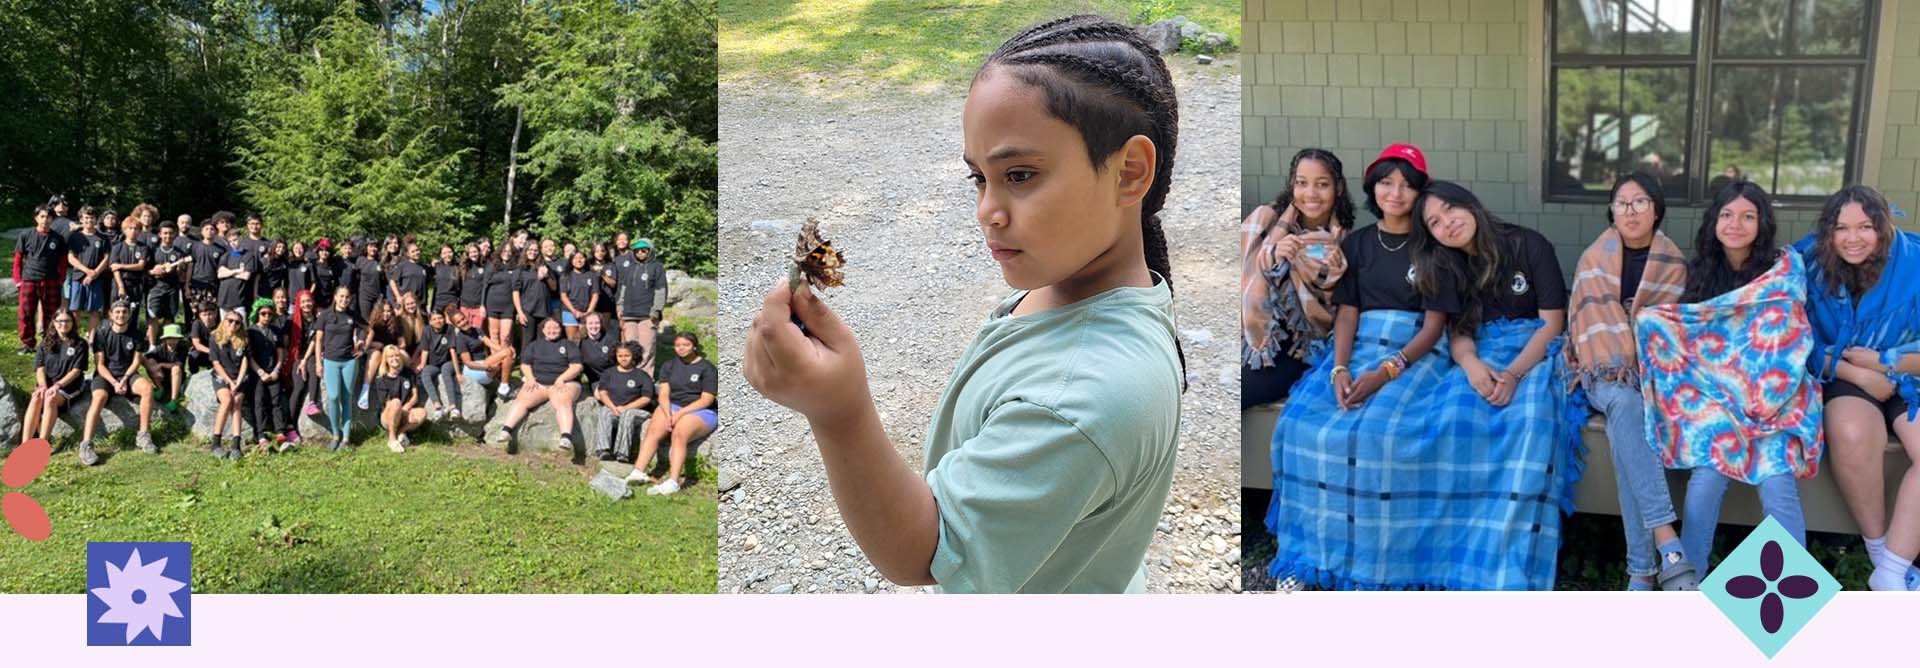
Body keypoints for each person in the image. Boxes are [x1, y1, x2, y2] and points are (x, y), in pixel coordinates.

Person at [743, 15, 1184, 592]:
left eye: (1019, 174)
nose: (987, 210)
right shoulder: (1086, 283)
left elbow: (927, 554)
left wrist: (838, 412)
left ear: (1130, 173)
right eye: (979, 178)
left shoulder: (1082, 396)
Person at [1655, 180, 1813, 578]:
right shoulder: (1700, 275)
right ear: (1714, 221)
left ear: (1762, 222)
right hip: (1718, 404)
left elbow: (1788, 339)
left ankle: (1784, 601)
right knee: (1705, 482)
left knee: (1778, 486)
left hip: (1774, 401)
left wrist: (1758, 397)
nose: (1735, 224)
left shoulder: (1782, 271)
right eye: (1726, 215)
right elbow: (1687, 339)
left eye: (1747, 216)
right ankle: (1688, 584)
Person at [1566, 172, 1696, 590]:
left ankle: (1641, 569)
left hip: (1655, 377)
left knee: (1629, 422)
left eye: (1640, 202)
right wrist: (1625, 331)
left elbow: (1672, 331)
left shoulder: (1672, 264)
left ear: (1656, 210)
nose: (1630, 211)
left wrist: (1639, 340)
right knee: (1624, 402)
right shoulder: (1593, 259)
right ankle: (1668, 541)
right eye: (1622, 204)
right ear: (1612, 212)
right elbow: (1586, 323)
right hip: (1601, 368)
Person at [1798, 185, 1920, 591]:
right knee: (1850, 432)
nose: (1853, 238)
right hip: (1844, 375)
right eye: (1842, 228)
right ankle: (1880, 554)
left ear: (1883, 226)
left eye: (1865, 226)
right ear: (1828, 232)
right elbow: (1795, 340)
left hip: (1910, 375)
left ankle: (1890, 573)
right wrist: (1859, 374)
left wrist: (1885, 362)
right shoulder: (1807, 264)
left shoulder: (1913, 261)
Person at [1240, 148, 1352, 408]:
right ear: (1292, 185)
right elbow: (1243, 281)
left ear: (1338, 189)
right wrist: (1274, 257)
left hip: (1300, 349)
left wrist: (1334, 272)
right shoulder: (1267, 223)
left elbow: (1340, 311)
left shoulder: (1344, 243)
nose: (1310, 193)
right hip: (1255, 337)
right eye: (1302, 183)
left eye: (1322, 184)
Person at [631, 331, 717, 496]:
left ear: (694, 346)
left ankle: (673, 481)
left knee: (679, 432)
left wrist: (680, 414)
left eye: (685, 345)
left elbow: (706, 399)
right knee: (654, 429)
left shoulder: (707, 368)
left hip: (702, 410)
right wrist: (668, 412)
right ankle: (638, 471)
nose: (681, 348)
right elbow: (663, 394)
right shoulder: (669, 365)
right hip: (673, 405)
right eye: (678, 345)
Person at [491, 317, 584, 453]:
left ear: (561, 329)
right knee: (522, 399)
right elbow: (525, 364)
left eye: (556, 328)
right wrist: (529, 378)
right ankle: (506, 430)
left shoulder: (568, 345)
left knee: (563, 401)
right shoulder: (535, 345)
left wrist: (562, 378)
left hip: (564, 383)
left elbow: (577, 366)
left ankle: (566, 437)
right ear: (543, 330)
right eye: (549, 328)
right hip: (539, 383)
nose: (552, 331)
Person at [79, 300, 158, 457]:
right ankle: (86, 444)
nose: (121, 315)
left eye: (124, 312)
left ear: (129, 314)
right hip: (106, 375)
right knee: (99, 396)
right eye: (117, 312)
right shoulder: (101, 333)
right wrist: (114, 382)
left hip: (127, 374)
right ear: (110, 314)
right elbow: (99, 365)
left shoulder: (137, 334)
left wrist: (125, 378)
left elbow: (136, 361)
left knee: (147, 388)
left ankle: (143, 435)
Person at [24, 312, 89, 462]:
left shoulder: (80, 344)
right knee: (36, 397)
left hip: (69, 387)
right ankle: (25, 445)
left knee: (50, 397)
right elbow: (39, 367)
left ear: (73, 323)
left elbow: (76, 370)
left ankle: (42, 443)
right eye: (60, 321)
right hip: (47, 385)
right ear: (54, 322)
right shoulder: (45, 342)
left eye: (67, 321)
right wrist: (43, 386)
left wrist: (58, 385)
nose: (63, 324)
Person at [310, 286, 367, 451]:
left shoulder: (352, 315)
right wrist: (318, 364)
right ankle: (336, 434)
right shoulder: (325, 316)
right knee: (334, 397)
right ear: (335, 297)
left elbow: (368, 330)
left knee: (346, 398)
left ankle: (346, 438)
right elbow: (318, 341)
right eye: (341, 296)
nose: (344, 300)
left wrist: (362, 346)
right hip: (330, 361)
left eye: (347, 297)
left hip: (349, 361)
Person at [591, 341, 655, 463]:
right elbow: (603, 393)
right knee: (605, 411)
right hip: (614, 409)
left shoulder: (642, 375)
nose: (623, 358)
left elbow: (646, 398)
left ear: (634, 356)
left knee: (628, 414)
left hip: (638, 412)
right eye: (620, 356)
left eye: (627, 355)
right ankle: (603, 450)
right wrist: (612, 407)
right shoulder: (609, 373)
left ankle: (622, 453)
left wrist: (626, 407)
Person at [18, 206, 68, 354]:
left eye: (48, 217)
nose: (45, 220)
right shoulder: (26, 235)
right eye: (42, 216)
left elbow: (63, 262)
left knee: (52, 313)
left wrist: (61, 279)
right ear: (36, 218)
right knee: (25, 313)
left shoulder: (58, 238)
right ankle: (28, 343)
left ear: (52, 219)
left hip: (51, 280)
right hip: (29, 279)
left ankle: (49, 342)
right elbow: (18, 259)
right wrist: (18, 280)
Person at [614, 238, 668, 369]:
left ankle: (645, 379)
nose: (640, 253)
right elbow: (623, 288)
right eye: (637, 250)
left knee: (646, 348)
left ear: (650, 251)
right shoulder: (629, 268)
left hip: (647, 315)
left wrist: (656, 310)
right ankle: (631, 376)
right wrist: (620, 307)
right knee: (631, 349)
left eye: (643, 250)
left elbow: (661, 290)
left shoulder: (657, 267)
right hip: (628, 315)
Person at [247, 298, 292, 449]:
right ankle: (260, 434)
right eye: (263, 313)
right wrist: (260, 372)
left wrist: (276, 370)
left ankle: (280, 432)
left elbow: (281, 352)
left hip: (273, 371)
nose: (266, 316)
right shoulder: (251, 331)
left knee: (277, 401)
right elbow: (249, 355)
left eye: (269, 313)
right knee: (258, 402)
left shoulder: (276, 331)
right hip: (257, 372)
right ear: (257, 313)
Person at [208, 308, 250, 459]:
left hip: (239, 378)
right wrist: (229, 382)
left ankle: (236, 446)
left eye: (237, 322)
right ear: (224, 321)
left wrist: (237, 382)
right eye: (230, 320)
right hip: (222, 376)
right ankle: (216, 444)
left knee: (236, 402)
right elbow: (215, 363)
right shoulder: (214, 337)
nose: (233, 324)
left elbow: (245, 361)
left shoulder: (243, 339)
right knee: (226, 401)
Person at [371, 344, 426, 452]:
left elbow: (415, 396)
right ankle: (392, 439)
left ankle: (401, 432)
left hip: (405, 411)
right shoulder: (381, 378)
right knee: (396, 402)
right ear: (386, 360)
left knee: (423, 412)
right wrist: (402, 411)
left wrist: (407, 408)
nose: (394, 359)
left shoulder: (409, 373)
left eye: (396, 355)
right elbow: (387, 404)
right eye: (390, 357)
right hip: (388, 415)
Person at [65, 206, 110, 335]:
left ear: (96, 219)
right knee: (75, 310)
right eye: (86, 217)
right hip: (78, 278)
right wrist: (87, 271)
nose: (89, 220)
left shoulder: (103, 238)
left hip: (97, 279)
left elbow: (106, 258)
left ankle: (92, 339)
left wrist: (94, 273)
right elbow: (71, 258)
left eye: (92, 217)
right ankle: (73, 336)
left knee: (94, 311)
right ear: (81, 219)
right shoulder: (74, 237)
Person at [146, 222, 191, 346]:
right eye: (165, 233)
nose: (168, 236)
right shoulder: (152, 251)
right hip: (155, 288)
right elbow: (146, 269)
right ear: (160, 234)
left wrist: (177, 270)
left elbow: (183, 274)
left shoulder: (179, 253)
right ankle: (152, 346)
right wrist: (153, 271)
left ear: (175, 234)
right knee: (153, 317)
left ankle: (167, 346)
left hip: (172, 289)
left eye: (171, 233)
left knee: (169, 317)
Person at [419, 306, 462, 420]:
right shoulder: (426, 330)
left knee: (446, 371)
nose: (438, 321)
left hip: (447, 362)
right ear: (430, 321)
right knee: (425, 373)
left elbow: (452, 351)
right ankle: (438, 406)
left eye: (440, 318)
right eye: (434, 319)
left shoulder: (449, 329)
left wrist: (458, 373)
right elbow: (425, 350)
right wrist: (422, 366)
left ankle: (453, 407)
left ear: (444, 318)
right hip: (434, 364)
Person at [142, 324, 190, 414]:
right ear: (165, 339)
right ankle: (160, 388)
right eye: (170, 338)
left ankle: (173, 400)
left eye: (175, 338)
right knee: (151, 361)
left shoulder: (183, 348)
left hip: (177, 378)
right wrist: (152, 366)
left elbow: (178, 364)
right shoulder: (159, 348)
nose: (172, 340)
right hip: (162, 377)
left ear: (179, 339)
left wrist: (161, 365)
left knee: (176, 369)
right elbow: (145, 357)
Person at [561, 251, 599, 340]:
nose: (578, 260)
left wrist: (589, 312)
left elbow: (595, 295)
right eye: (575, 258)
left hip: (587, 312)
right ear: (571, 260)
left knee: (585, 340)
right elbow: (563, 296)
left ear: (585, 259)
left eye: (581, 258)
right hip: (570, 312)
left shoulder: (591, 275)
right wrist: (574, 311)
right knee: (573, 340)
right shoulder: (566, 276)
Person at [578, 311, 618, 386]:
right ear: (585, 325)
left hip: (613, 377)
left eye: (597, 323)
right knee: (600, 394)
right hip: (595, 379)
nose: (594, 326)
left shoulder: (610, 340)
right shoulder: (580, 342)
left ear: (601, 324)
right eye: (590, 323)